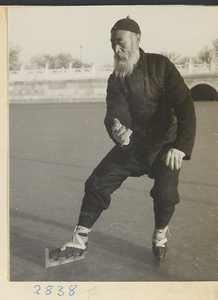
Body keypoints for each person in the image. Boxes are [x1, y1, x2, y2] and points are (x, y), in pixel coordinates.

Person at [49, 17, 196, 262]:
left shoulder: (162, 66)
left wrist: (180, 147)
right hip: (134, 146)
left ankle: (160, 235)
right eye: (112, 44)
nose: (116, 49)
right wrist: (117, 128)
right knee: (96, 183)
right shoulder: (115, 78)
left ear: (137, 40)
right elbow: (116, 112)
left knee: (165, 194)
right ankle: (79, 242)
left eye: (120, 43)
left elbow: (186, 107)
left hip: (165, 146)